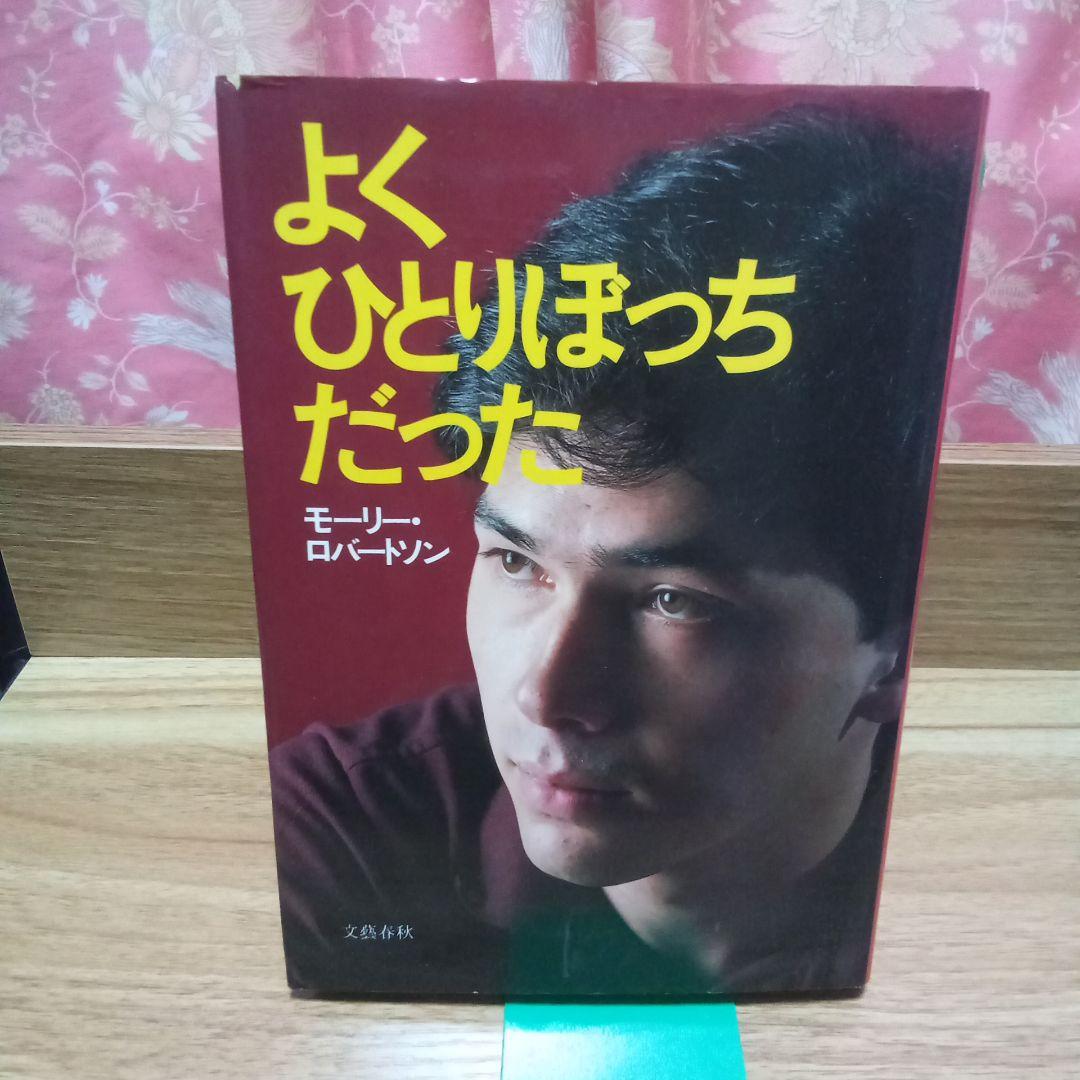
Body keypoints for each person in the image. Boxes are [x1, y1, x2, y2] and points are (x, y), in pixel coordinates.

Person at [269, 106, 972, 997]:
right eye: (516, 562)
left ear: (899, 652)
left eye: (675, 600)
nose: (545, 697)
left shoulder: (960, 891)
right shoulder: (344, 820)